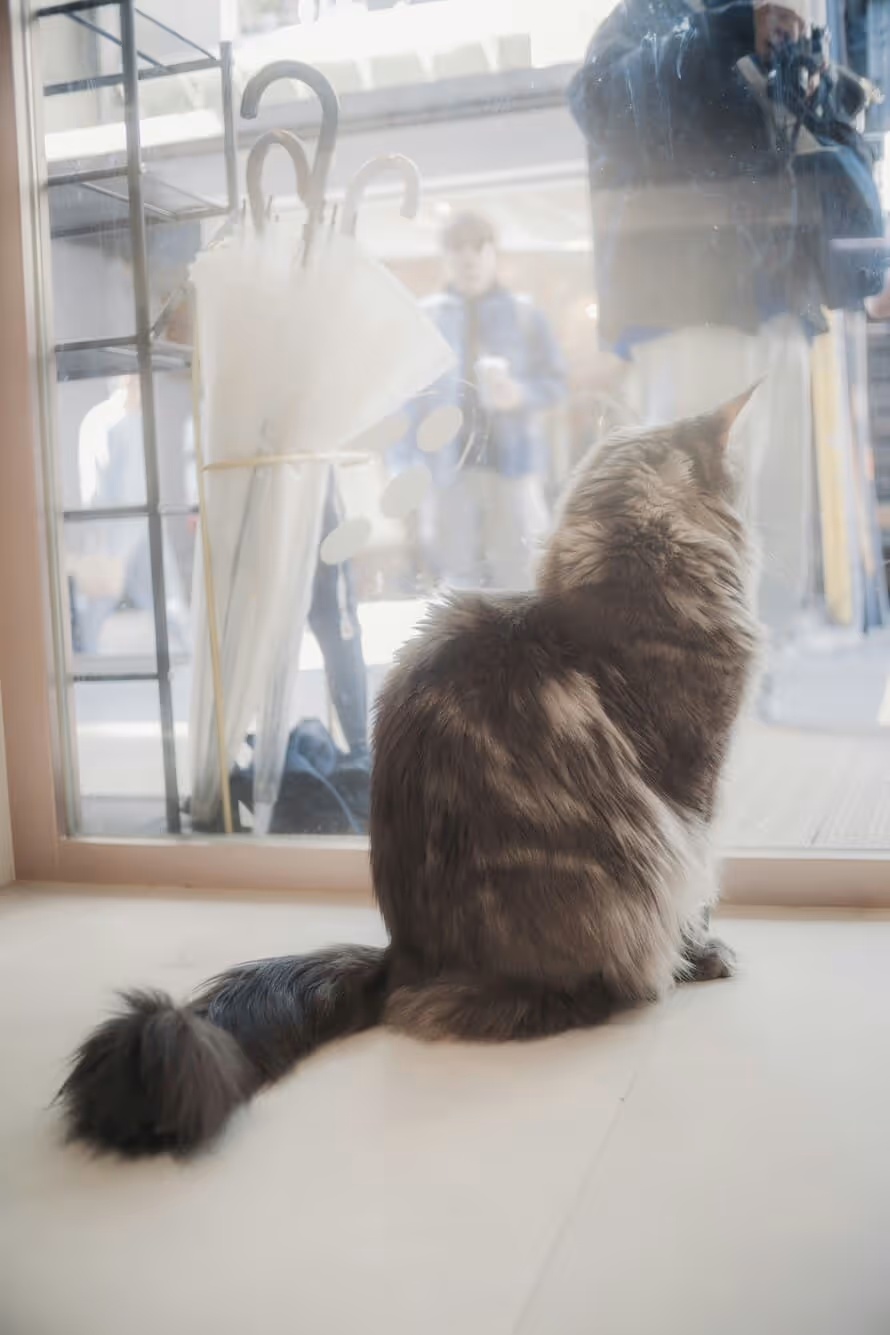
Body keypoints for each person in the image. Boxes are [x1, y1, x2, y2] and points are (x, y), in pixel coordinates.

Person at [568, 0, 886, 632]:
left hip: (780, 313)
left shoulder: (783, 31)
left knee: (773, 545)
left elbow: (852, 113)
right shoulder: (650, 18)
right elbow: (604, 105)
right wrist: (734, 29)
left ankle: (747, 683)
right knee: (700, 544)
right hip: (694, 313)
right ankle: (693, 686)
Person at [393, 210, 566, 591]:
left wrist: (520, 393)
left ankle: (526, 650)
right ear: (446, 256)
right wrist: (403, 468)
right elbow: (407, 399)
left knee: (523, 574)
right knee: (457, 580)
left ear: (492, 253)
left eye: (478, 246)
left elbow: (555, 383)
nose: (468, 257)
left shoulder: (525, 315)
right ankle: (467, 650)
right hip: (446, 467)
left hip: (513, 464)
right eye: (458, 247)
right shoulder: (427, 319)